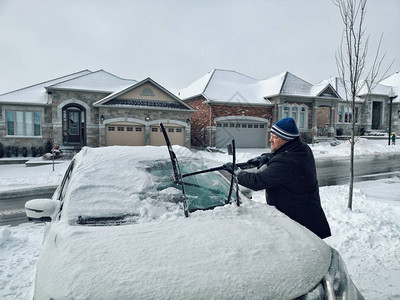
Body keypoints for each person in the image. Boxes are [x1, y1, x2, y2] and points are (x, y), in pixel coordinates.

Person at [226, 117, 331, 239]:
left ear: (286, 140)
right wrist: (266, 157)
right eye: (271, 135)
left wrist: (237, 173)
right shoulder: (302, 148)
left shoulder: (286, 162)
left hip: (300, 222)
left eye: (275, 137)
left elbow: (258, 181)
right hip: (308, 214)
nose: (270, 140)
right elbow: (283, 154)